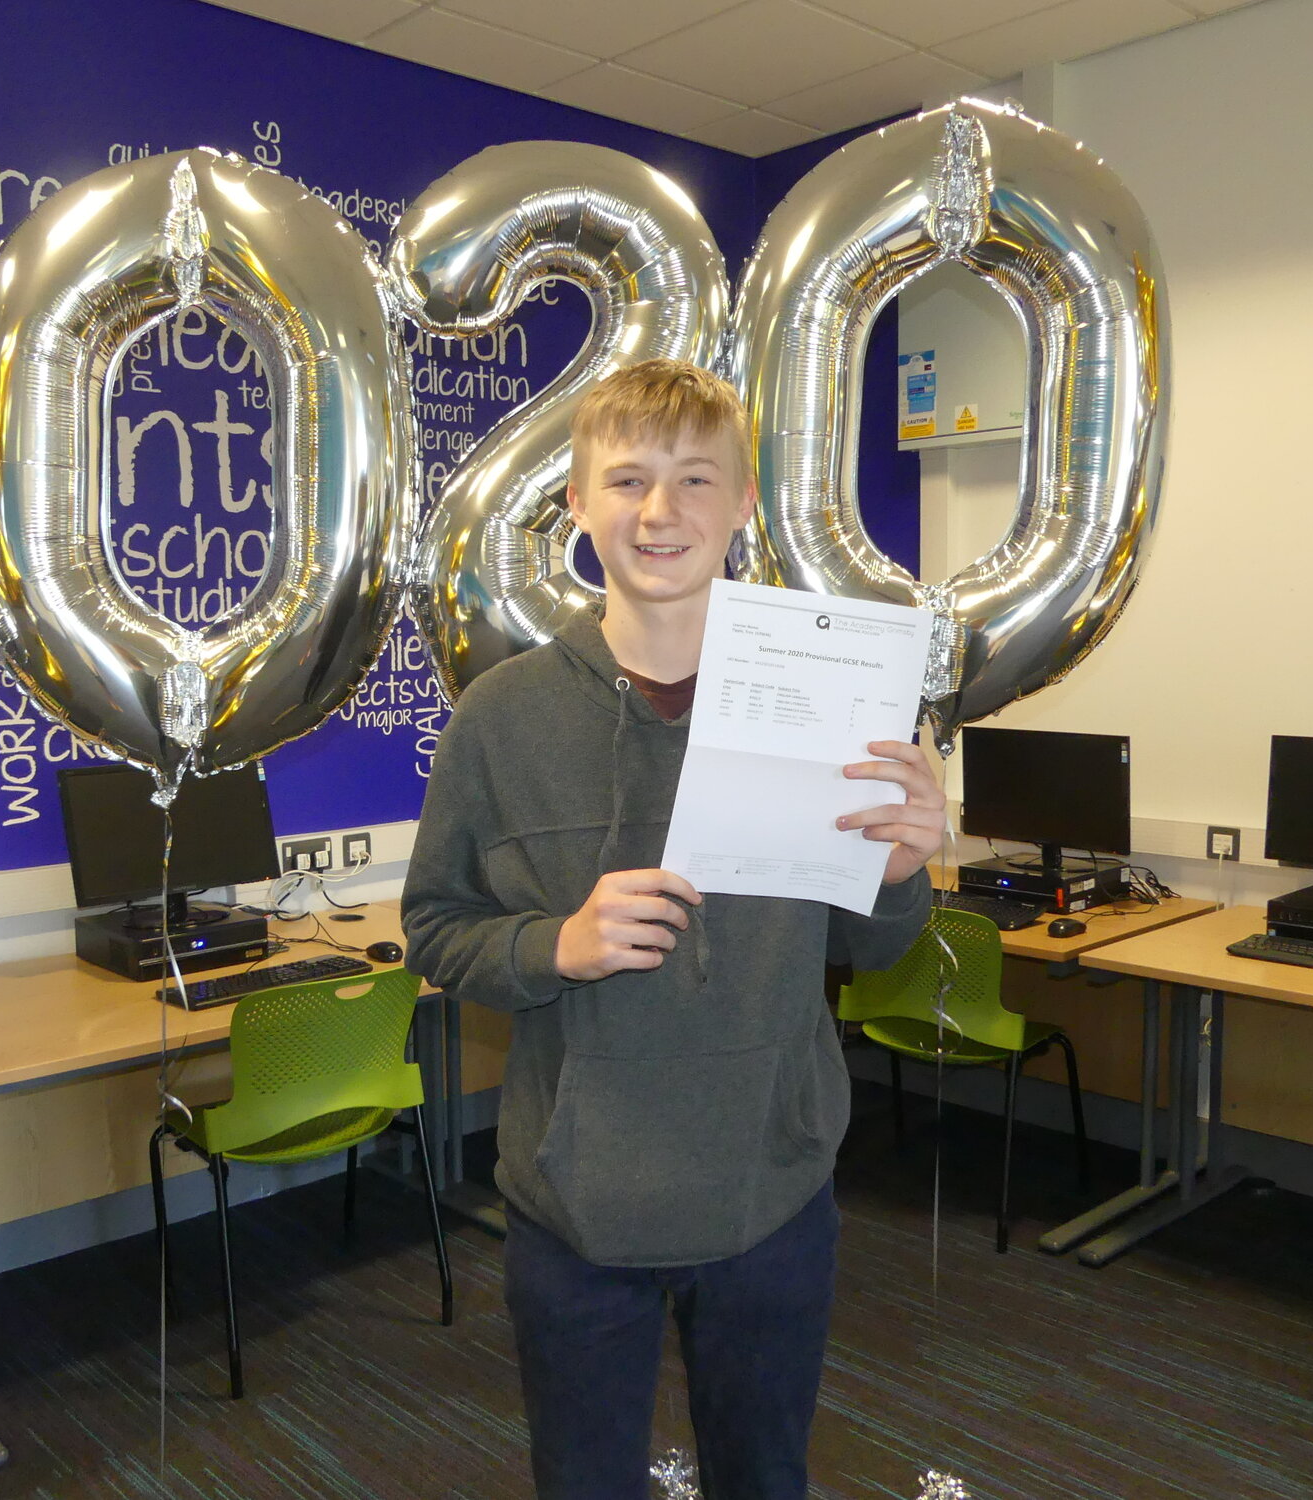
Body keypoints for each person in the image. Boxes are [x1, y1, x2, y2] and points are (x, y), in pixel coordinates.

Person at [401, 359, 943, 1499]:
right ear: (577, 506)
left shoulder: (833, 705)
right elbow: (436, 932)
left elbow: (875, 952)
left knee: (763, 1478)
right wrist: (555, 946)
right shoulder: (497, 719)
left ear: (744, 503)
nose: (660, 514)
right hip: (574, 1209)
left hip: (771, 1191)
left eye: (696, 479)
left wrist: (898, 873)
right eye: (628, 480)